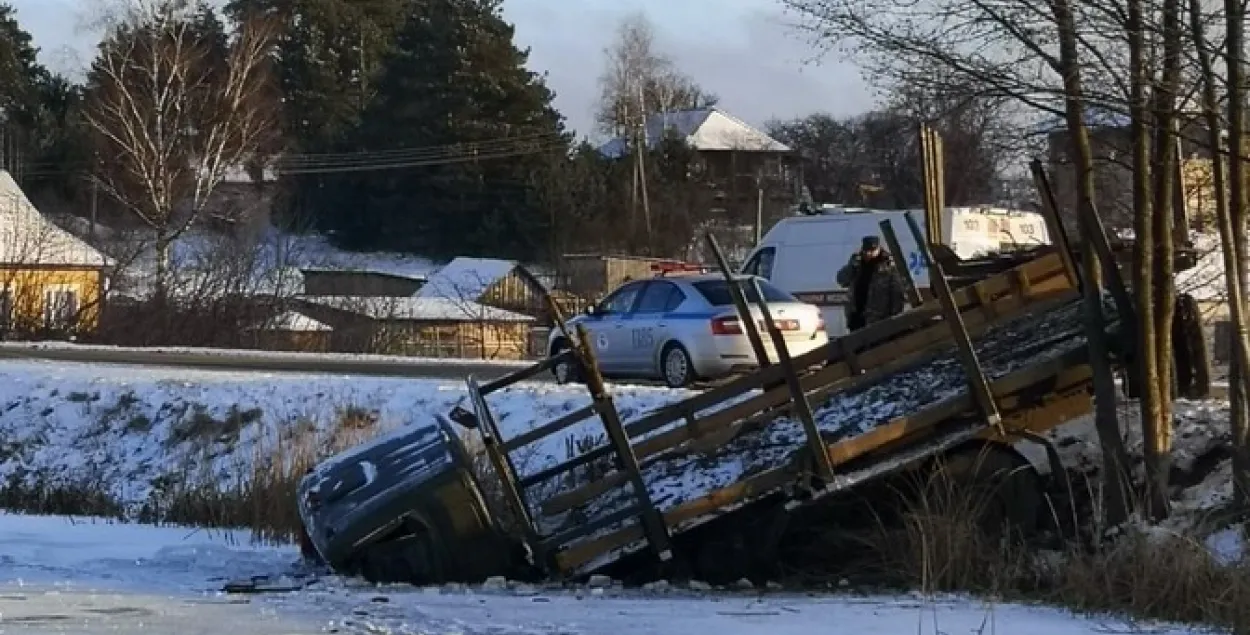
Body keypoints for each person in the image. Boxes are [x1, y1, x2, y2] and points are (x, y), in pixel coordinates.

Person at [836, 235, 906, 331]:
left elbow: (897, 295)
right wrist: (851, 266)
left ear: (878, 249)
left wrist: (894, 319)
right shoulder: (857, 264)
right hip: (857, 317)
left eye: (872, 251)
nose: (868, 254)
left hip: (879, 319)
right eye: (866, 251)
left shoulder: (889, 267)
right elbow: (841, 280)